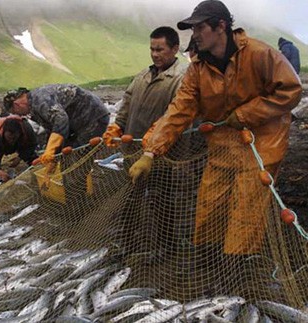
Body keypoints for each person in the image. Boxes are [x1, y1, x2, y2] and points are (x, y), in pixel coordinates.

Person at [129, 0, 302, 293]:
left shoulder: (259, 54)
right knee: (209, 206)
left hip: (261, 146)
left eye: (199, 27)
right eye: (193, 28)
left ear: (221, 26)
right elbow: (179, 110)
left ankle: (239, 271)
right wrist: (150, 152)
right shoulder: (198, 68)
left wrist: (247, 114)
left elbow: (290, 90)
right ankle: (208, 265)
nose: (194, 34)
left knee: (245, 211)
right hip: (222, 147)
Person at [3, 84, 109, 213]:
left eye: (15, 113)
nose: (21, 116)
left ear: (16, 104)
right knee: (66, 160)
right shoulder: (34, 109)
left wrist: (50, 150)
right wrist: (53, 157)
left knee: (75, 162)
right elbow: (53, 129)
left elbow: (61, 120)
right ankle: (75, 201)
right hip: (75, 125)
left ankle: (78, 209)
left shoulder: (40, 100)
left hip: (92, 119)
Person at [103, 26, 183, 148]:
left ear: (175, 49)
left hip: (163, 154)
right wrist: (117, 126)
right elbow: (127, 104)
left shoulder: (181, 79)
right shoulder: (142, 76)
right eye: (152, 50)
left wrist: (156, 133)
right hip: (131, 150)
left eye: (160, 50)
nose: (154, 54)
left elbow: (177, 114)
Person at [0, 116, 38, 193]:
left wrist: (20, 157)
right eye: (9, 137)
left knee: (33, 159)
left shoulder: (26, 128)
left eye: (13, 137)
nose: (11, 140)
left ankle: (38, 181)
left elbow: (32, 145)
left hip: (20, 143)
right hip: (1, 145)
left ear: (19, 133)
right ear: (4, 132)